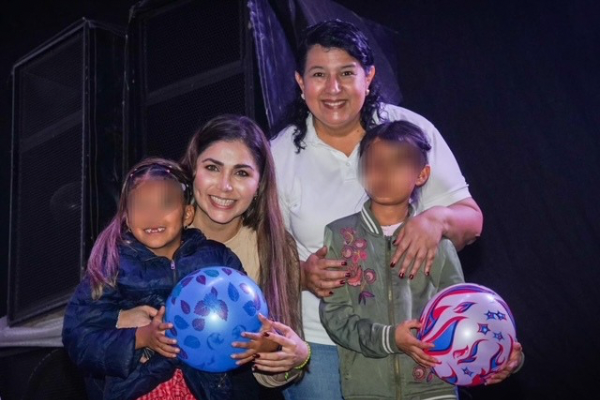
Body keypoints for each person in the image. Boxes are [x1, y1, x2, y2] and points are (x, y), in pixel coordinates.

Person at [270, 20, 485, 399]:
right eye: (319, 74)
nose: (333, 88)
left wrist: (435, 220)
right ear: (301, 82)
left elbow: (472, 219)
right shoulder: (278, 155)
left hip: (413, 337)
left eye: (346, 73)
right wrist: (301, 274)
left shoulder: (411, 130)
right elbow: (263, 253)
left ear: (368, 76)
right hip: (320, 344)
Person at [319, 120, 523, 400]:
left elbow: (465, 314)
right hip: (367, 390)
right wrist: (390, 338)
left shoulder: (439, 242)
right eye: (375, 162)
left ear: (422, 174)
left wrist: (504, 357)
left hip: (434, 389)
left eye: (398, 163)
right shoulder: (340, 236)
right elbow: (335, 315)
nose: (384, 172)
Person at [117, 115, 311, 391]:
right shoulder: (152, 227)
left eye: (241, 173)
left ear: (259, 184)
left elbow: (269, 376)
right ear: (192, 170)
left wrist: (295, 357)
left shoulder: (273, 247)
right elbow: (85, 325)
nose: (225, 186)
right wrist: (118, 321)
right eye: (212, 168)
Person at [62, 158, 253, 400]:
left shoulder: (217, 258)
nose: (152, 214)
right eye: (141, 205)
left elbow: (250, 315)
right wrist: (140, 337)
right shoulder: (112, 266)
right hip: (140, 390)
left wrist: (261, 343)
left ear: (187, 214)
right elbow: (78, 336)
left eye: (166, 203)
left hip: (207, 390)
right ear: (127, 217)